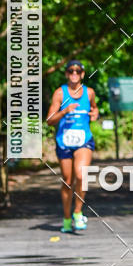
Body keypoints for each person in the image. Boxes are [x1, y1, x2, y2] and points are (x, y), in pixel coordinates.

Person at [46, 59, 99, 233]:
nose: (74, 74)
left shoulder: (89, 92)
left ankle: (77, 212)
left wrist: (95, 114)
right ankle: (67, 218)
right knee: (68, 181)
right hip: (64, 141)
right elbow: (49, 121)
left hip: (84, 140)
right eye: (71, 71)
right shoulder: (60, 94)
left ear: (82, 74)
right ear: (67, 74)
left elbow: (94, 108)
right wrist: (63, 111)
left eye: (78, 71)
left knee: (81, 174)